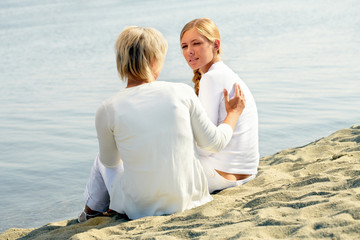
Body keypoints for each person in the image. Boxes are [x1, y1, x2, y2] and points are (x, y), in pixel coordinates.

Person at [78, 26, 246, 222]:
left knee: (102, 158)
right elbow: (213, 143)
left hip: (139, 208)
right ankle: (92, 211)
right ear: (154, 60)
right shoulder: (182, 92)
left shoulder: (107, 108)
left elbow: (110, 163)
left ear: (120, 62)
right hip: (192, 199)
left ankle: (90, 212)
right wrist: (232, 114)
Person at [180, 18, 259, 193]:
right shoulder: (226, 74)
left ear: (216, 45)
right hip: (246, 172)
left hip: (219, 175)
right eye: (184, 46)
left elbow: (205, 145)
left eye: (196, 44)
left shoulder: (211, 77)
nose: (190, 51)